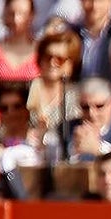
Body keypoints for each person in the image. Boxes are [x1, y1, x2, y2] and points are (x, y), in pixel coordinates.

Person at [25, 28, 80, 159]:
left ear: (70, 64)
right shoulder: (26, 90)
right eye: (48, 57)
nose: (52, 63)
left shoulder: (77, 97)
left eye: (59, 59)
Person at [72, 0, 111, 79]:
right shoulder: (70, 35)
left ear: (110, 2)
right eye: (89, 0)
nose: (94, 6)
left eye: (100, 1)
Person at [0, 0, 41, 86]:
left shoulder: (41, 51)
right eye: (11, 13)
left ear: (32, 15)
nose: (16, 19)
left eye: (22, 13)